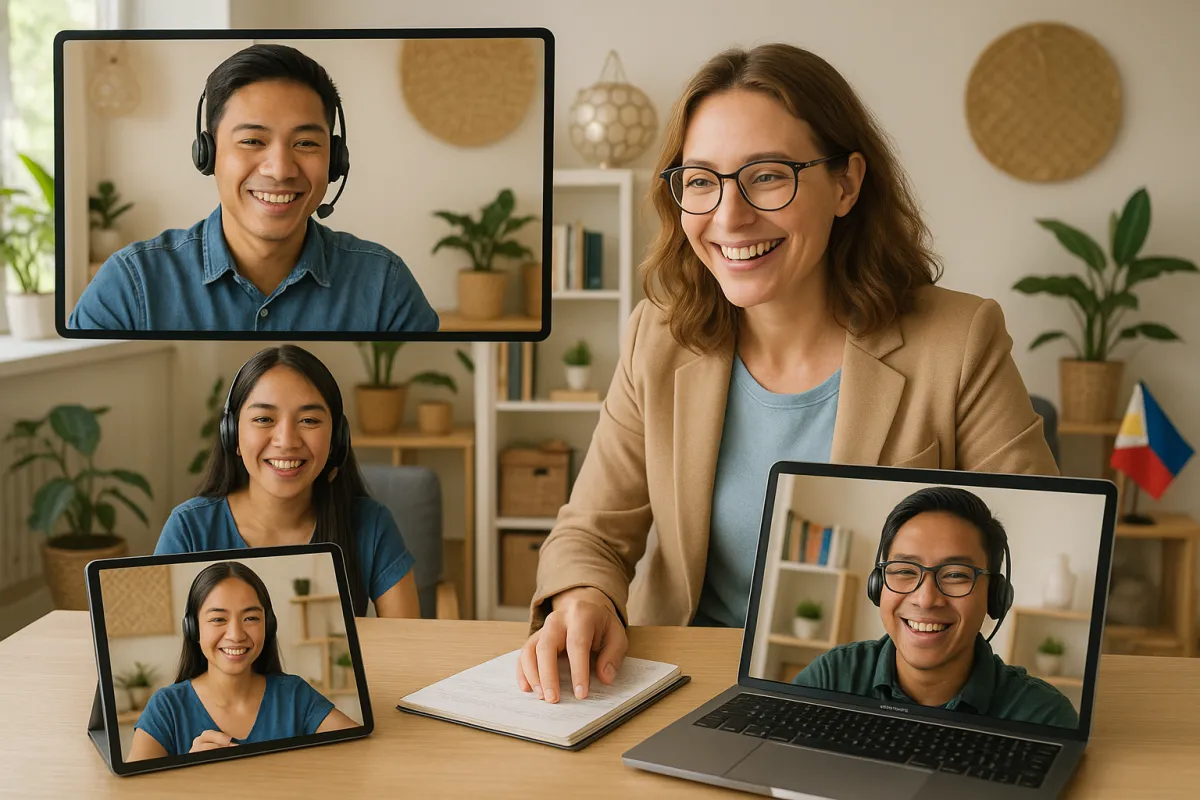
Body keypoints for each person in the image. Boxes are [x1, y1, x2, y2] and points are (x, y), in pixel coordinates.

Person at [516, 42, 1059, 704]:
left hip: (885, 699)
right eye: (699, 180)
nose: (729, 215)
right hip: (693, 687)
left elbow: (1026, 552)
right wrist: (582, 594)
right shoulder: (655, 336)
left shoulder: (960, 340)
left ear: (847, 183)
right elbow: (593, 530)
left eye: (768, 175)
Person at [68, 43, 438, 333]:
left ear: (336, 159)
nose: (279, 170)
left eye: (306, 143)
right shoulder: (132, 284)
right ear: (207, 154)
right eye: (252, 141)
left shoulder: (384, 284)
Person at [155, 344, 421, 619]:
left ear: (336, 440)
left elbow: (409, 648)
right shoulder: (188, 530)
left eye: (308, 420)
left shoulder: (371, 525)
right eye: (263, 419)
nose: (286, 441)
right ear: (232, 435)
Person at [792, 486, 1079, 728]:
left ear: (994, 596)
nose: (926, 599)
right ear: (877, 585)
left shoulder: (1042, 716)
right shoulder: (831, 678)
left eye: (955, 575)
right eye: (904, 570)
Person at [127, 561, 360, 761]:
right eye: (218, 619)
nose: (236, 635)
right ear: (193, 629)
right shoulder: (166, 707)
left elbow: (362, 754)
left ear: (268, 626)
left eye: (250, 618)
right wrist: (188, 773)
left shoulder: (294, 695)